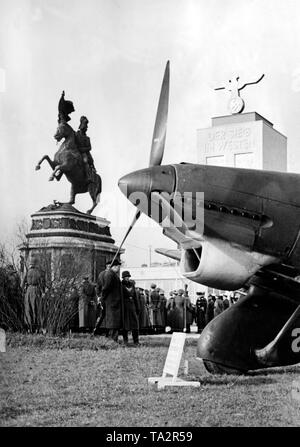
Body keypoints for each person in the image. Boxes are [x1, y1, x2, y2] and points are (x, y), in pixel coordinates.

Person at [96, 259, 122, 342]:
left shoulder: (111, 274)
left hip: (112, 301)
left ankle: (112, 339)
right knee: (112, 321)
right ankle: (112, 340)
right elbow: (106, 287)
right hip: (112, 301)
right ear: (115, 266)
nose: (119, 269)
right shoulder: (110, 274)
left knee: (113, 320)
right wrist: (102, 297)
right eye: (118, 266)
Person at [22, 257, 45, 333]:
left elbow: (22, 283)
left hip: (28, 291)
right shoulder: (40, 272)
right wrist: (43, 291)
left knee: (28, 309)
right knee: (37, 308)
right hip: (37, 290)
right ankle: (37, 328)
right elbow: (43, 283)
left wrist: (23, 290)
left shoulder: (28, 272)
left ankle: (29, 328)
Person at [121, 271, 140, 345]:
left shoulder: (132, 285)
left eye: (128, 277)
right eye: (126, 277)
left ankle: (136, 341)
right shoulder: (121, 285)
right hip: (124, 307)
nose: (127, 278)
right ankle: (125, 341)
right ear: (123, 277)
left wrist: (137, 307)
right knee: (125, 325)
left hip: (132, 306)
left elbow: (135, 296)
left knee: (135, 324)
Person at [76, 116, 96, 183]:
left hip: (84, 153)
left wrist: (82, 149)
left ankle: (89, 176)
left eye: (85, 126)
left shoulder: (87, 138)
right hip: (76, 151)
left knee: (85, 160)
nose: (85, 127)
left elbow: (89, 147)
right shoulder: (76, 134)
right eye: (84, 125)